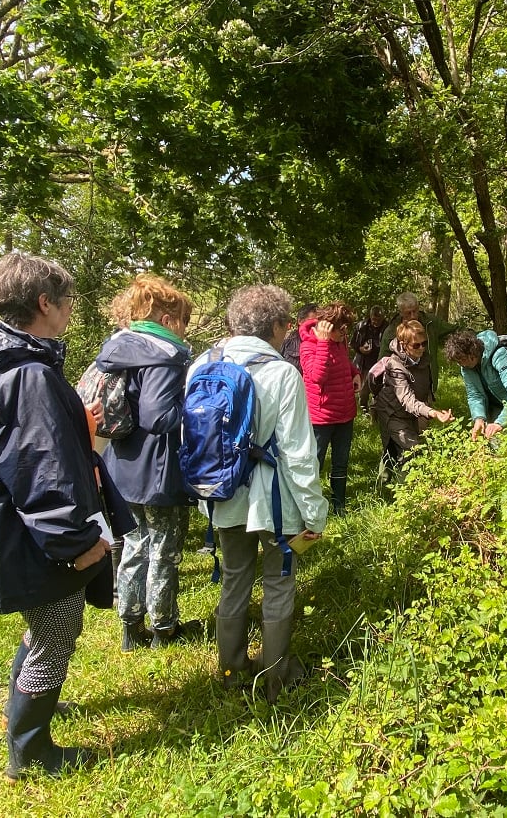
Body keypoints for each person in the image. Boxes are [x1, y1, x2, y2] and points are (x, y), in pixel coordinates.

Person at [0, 252, 109, 781]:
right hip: (35, 531)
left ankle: (30, 717)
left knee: (41, 626)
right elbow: (43, 470)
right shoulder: (29, 374)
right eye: (66, 302)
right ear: (44, 303)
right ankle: (31, 749)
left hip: (1, 521)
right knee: (56, 630)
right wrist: (75, 541)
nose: (69, 312)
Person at [191, 284, 328, 702]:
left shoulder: (202, 363)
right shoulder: (283, 374)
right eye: (287, 324)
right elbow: (299, 454)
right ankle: (276, 676)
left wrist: (204, 499)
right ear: (276, 326)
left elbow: (193, 438)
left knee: (234, 581)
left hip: (222, 494)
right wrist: (315, 514)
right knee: (279, 583)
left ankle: (232, 671)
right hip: (275, 503)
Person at [94, 275, 197, 651]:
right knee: (164, 550)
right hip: (158, 468)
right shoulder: (165, 354)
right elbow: (157, 416)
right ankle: (164, 628)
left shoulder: (118, 346)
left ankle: (129, 627)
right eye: (183, 320)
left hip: (121, 463)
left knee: (134, 545)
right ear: (168, 320)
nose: (184, 329)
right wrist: (191, 408)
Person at [373, 319, 453, 491]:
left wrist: (428, 405)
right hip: (392, 412)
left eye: (424, 344)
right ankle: (401, 496)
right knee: (412, 449)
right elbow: (407, 400)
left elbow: (425, 386)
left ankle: (387, 489)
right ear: (404, 345)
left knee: (396, 450)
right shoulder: (394, 366)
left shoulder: (423, 358)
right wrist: (433, 413)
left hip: (412, 412)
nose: (422, 348)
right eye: (416, 345)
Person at [299, 302, 359, 514]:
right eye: (341, 329)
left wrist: (355, 373)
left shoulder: (340, 342)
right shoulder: (308, 345)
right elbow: (317, 376)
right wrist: (323, 343)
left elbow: (344, 362)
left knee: (341, 463)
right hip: (321, 417)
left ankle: (339, 506)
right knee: (314, 463)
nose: (345, 333)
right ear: (327, 327)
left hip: (345, 413)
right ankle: (310, 508)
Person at [444, 329, 507, 440]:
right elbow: (475, 395)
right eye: (458, 362)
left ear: (472, 354)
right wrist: (479, 418)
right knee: (498, 445)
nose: (461, 364)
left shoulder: (500, 355)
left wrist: (500, 422)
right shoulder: (466, 368)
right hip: (499, 406)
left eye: (462, 360)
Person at [378, 292, 454, 394]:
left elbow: (454, 330)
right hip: (401, 386)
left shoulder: (430, 323)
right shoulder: (391, 331)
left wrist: (480, 336)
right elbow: (382, 362)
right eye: (408, 313)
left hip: (426, 385)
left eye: (415, 311)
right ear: (401, 312)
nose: (413, 316)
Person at [351, 306, 387, 412]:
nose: (375, 322)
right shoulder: (362, 326)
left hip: (380, 363)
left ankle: (377, 412)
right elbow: (353, 343)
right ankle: (364, 410)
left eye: (378, 320)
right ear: (370, 316)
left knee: (379, 390)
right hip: (364, 363)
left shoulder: (387, 328)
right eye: (374, 319)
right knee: (363, 391)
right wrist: (360, 348)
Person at [280, 302, 316, 372]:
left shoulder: (324, 343)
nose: (316, 327)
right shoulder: (287, 341)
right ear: (300, 321)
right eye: (312, 323)